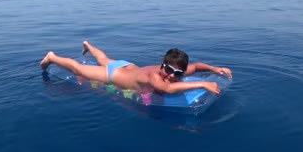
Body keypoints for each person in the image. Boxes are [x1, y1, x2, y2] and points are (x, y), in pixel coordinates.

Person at [40, 41, 232, 95]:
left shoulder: (174, 70)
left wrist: (215, 69)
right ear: (162, 65)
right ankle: (52, 57)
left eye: (178, 73)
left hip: (127, 66)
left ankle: (88, 45)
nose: (172, 76)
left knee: (104, 58)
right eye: (168, 70)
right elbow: (168, 89)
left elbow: (197, 66)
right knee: (77, 69)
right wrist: (203, 84)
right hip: (113, 73)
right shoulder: (155, 78)